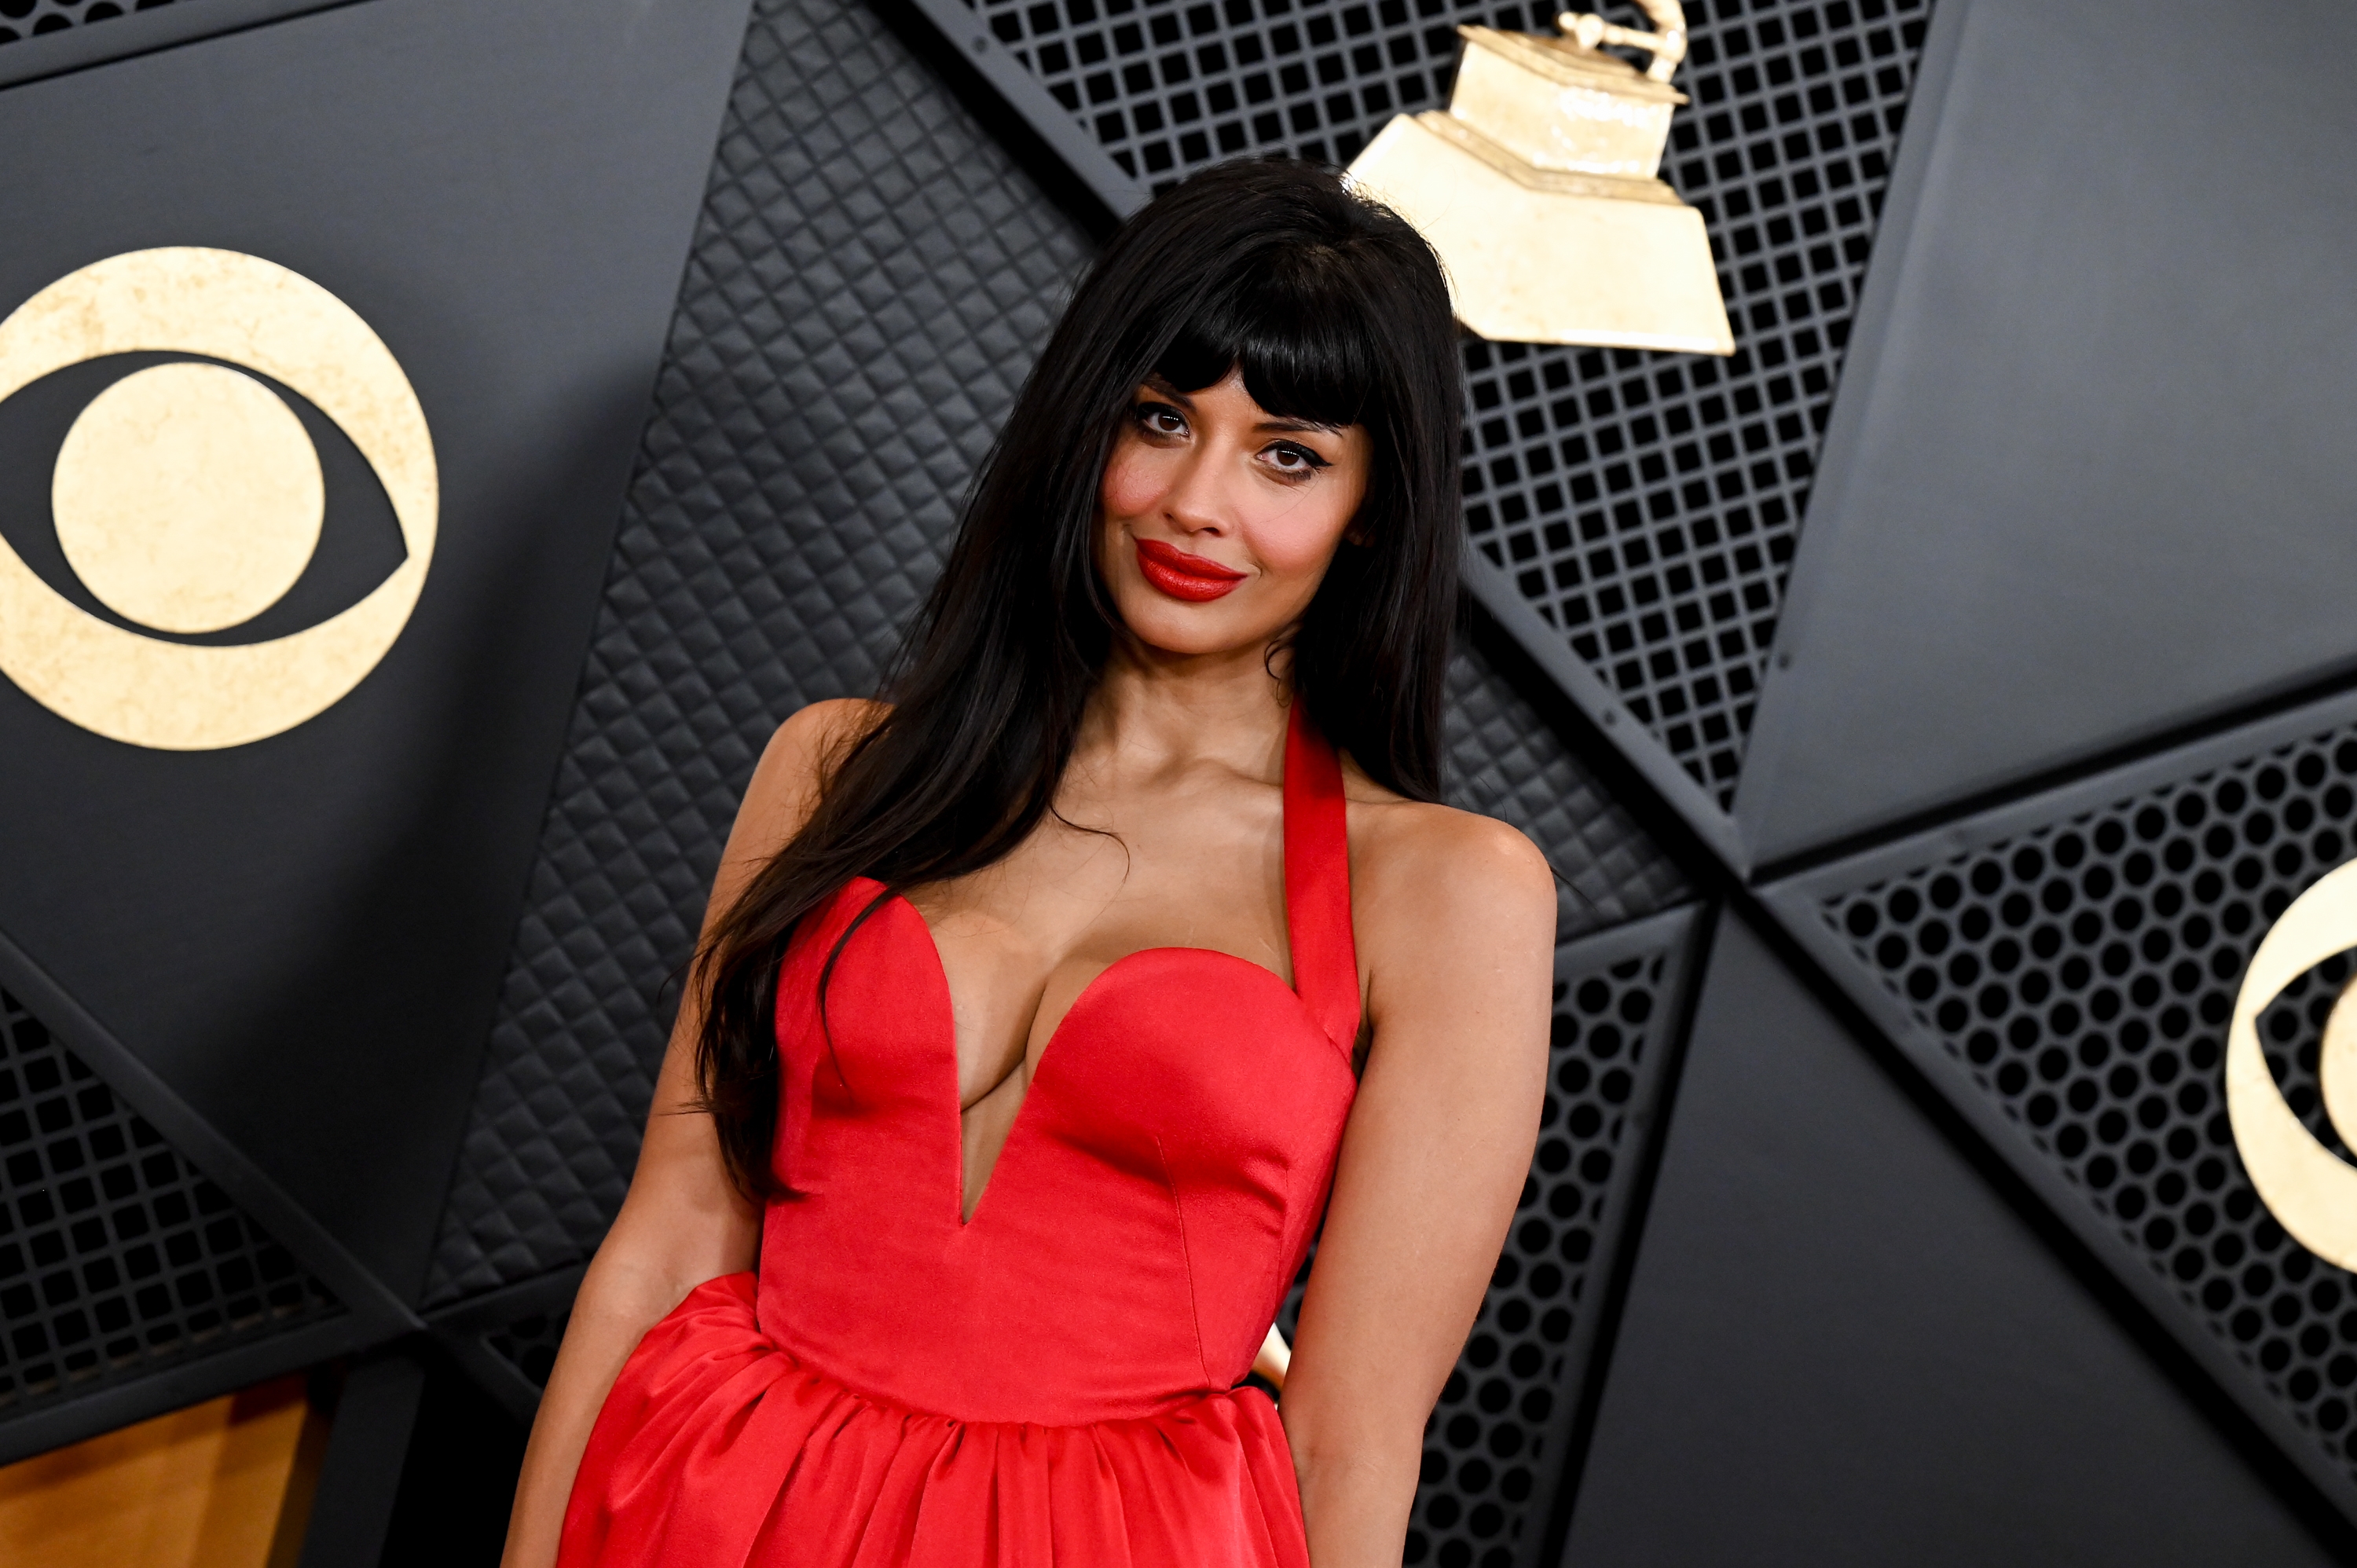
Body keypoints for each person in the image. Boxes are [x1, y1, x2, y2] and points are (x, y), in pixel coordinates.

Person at [500, 157, 1556, 1568]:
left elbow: (1352, 1439)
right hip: (717, 1504)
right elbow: (670, 1239)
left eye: (1286, 455)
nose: (1197, 501)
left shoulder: (1447, 889)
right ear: (1087, 428)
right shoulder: (836, 767)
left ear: (1373, 507)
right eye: (1161, 420)